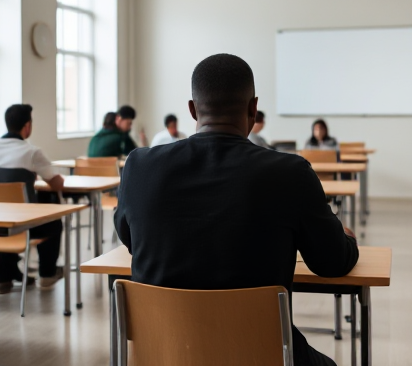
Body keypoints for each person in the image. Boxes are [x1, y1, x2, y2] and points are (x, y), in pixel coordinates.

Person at [115, 54, 359, 366]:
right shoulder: (290, 173)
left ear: (192, 109)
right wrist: (343, 235)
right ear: (253, 108)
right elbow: (333, 263)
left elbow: (130, 238)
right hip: (263, 353)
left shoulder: (139, 166)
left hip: (166, 353)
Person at [0, 104, 65, 294]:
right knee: (53, 220)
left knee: (2, 213)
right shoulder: (31, 152)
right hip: (23, 225)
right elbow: (57, 184)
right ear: (27, 126)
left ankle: (3, 278)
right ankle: (47, 274)